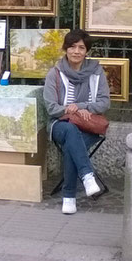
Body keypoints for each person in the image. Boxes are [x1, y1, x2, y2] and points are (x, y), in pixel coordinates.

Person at [43, 29, 111, 214]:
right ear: (66, 49)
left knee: (71, 147)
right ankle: (87, 177)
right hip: (60, 125)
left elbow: (104, 102)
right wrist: (68, 110)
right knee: (71, 132)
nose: (76, 51)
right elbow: (51, 107)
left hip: (89, 126)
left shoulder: (96, 72)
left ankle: (69, 196)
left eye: (81, 47)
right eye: (72, 47)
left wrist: (80, 107)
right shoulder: (55, 74)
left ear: (86, 51)